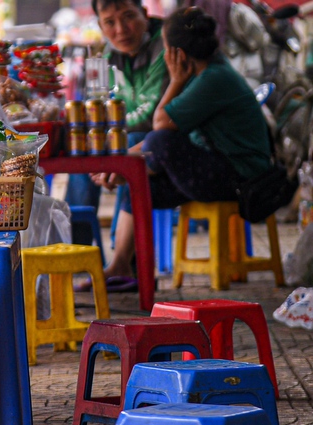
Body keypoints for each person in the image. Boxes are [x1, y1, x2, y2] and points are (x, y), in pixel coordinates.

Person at [91, 6, 273, 284]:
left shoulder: (213, 79)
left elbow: (160, 125)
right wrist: (126, 163)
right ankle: (121, 265)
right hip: (221, 170)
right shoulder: (203, 75)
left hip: (243, 179)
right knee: (141, 183)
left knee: (162, 142)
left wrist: (175, 81)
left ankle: (126, 172)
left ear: (177, 54)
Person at [71, 0, 169, 290]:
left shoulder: (165, 45)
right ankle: (77, 256)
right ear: (100, 26)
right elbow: (98, 105)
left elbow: (153, 113)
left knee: (125, 148)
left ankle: (121, 260)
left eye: (129, 17)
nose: (121, 29)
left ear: (145, 15)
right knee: (82, 155)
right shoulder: (107, 55)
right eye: (110, 22)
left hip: (165, 138)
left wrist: (109, 130)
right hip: (134, 135)